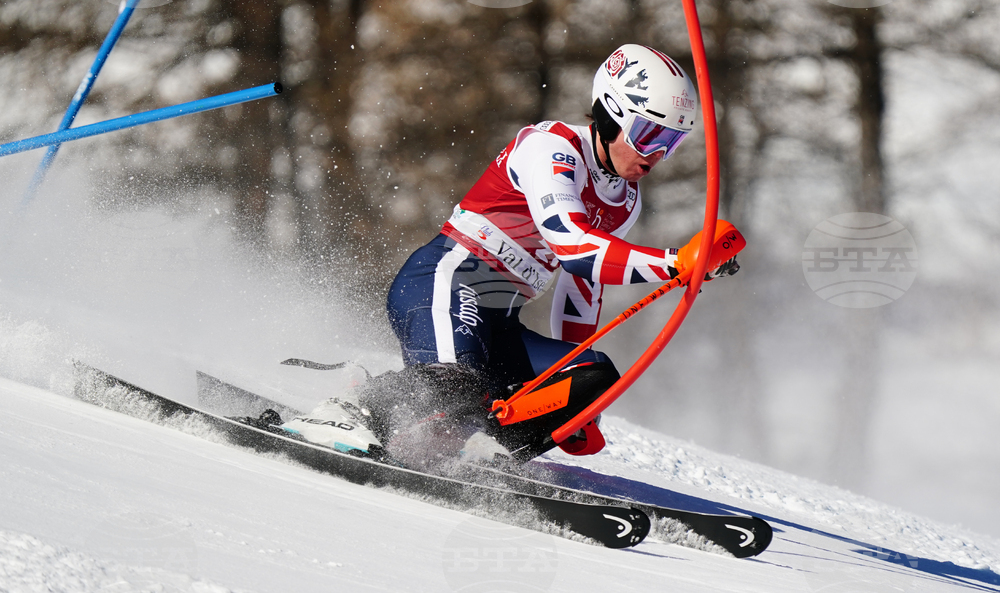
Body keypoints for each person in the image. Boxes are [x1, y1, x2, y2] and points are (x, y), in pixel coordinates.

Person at [276, 44, 740, 467]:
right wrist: (675, 263)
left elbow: (580, 293)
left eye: (671, 142)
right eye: (648, 135)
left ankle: (482, 456)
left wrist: (576, 407)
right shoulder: (552, 148)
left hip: (500, 321)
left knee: (594, 374)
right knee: (456, 385)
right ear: (611, 113)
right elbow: (573, 246)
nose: (655, 154)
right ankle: (350, 408)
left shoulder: (625, 201)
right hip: (447, 281)